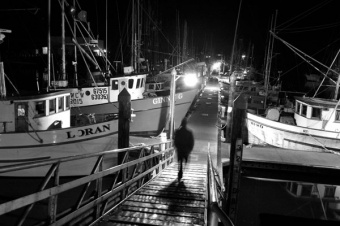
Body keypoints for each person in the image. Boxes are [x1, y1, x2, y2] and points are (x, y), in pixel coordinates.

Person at [174, 117, 194, 181]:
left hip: (179, 149)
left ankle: (180, 171)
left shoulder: (177, 131)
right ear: (186, 124)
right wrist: (189, 149)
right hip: (186, 150)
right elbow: (191, 142)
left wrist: (177, 147)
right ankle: (182, 171)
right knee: (185, 161)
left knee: (180, 161)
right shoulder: (189, 132)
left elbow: (175, 140)